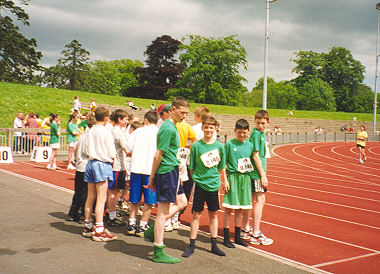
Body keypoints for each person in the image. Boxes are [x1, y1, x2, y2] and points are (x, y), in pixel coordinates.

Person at [143, 97, 189, 264]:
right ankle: (158, 249)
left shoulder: (173, 126)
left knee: (182, 202)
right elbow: (158, 154)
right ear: (173, 110)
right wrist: (152, 177)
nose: (184, 116)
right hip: (166, 171)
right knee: (163, 212)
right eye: (182, 112)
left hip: (173, 170)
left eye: (186, 113)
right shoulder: (168, 129)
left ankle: (152, 231)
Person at [182, 115, 227, 258]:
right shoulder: (196, 146)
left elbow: (221, 167)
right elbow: (192, 167)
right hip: (200, 185)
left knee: (213, 214)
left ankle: (214, 244)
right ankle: (192, 244)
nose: (208, 129)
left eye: (211, 127)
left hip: (214, 185)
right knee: (196, 214)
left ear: (215, 129)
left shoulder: (220, 146)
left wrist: (224, 181)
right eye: (206, 127)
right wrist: (198, 178)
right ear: (202, 128)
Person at [82, 106, 117, 242]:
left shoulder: (89, 131)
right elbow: (111, 152)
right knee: (101, 198)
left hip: (90, 163)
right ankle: (99, 229)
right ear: (107, 117)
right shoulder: (106, 131)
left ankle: (88, 225)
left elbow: (85, 150)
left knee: (90, 196)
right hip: (102, 163)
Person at [242, 110, 273, 246]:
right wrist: (263, 175)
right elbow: (255, 155)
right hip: (256, 173)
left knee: (252, 200)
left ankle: (245, 228)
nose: (261, 125)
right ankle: (255, 233)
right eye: (258, 123)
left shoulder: (260, 133)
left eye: (263, 123)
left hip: (255, 172)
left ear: (268, 123)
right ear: (254, 121)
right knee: (260, 200)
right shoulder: (256, 134)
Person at [126, 110, 159, 237]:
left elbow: (127, 148)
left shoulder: (138, 131)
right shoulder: (159, 133)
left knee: (134, 198)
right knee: (149, 201)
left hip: (136, 168)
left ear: (146, 120)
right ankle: (143, 225)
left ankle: (131, 223)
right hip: (150, 171)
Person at [222, 119, 253, 248]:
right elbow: (223, 163)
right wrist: (224, 179)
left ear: (248, 132)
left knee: (240, 209)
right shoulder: (229, 145)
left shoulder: (250, 145)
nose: (242, 135)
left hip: (245, 179)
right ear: (235, 131)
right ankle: (226, 237)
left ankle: (238, 237)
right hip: (233, 178)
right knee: (229, 208)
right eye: (239, 132)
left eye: (244, 132)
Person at [165, 117, 197, 231]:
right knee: (179, 189)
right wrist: (188, 148)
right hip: (182, 157)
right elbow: (195, 139)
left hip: (173, 157)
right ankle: (175, 219)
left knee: (173, 189)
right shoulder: (186, 126)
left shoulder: (171, 126)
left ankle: (168, 220)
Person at [66, 114, 96, 223]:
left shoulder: (83, 135)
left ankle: (73, 212)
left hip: (80, 166)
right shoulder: (89, 137)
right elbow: (89, 152)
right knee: (85, 193)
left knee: (78, 191)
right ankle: (82, 214)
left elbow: (76, 148)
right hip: (86, 166)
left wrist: (76, 159)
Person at [105, 109, 129, 227]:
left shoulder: (112, 130)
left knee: (112, 191)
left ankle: (110, 212)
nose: (127, 121)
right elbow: (127, 149)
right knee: (114, 191)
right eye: (125, 119)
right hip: (117, 166)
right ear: (119, 119)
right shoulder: (118, 132)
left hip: (115, 164)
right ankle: (112, 216)